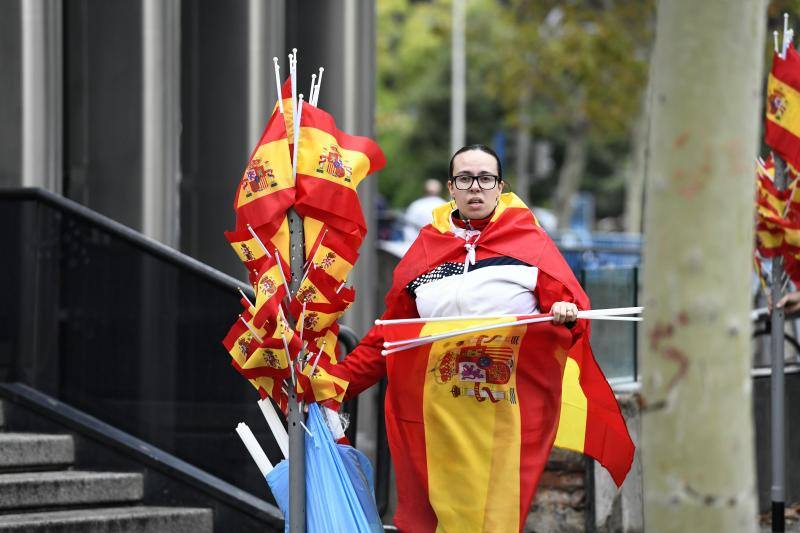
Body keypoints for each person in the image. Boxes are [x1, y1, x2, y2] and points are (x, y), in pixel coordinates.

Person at [331, 145, 624, 532]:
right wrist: (330, 384)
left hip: (503, 417)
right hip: (436, 420)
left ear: (499, 187)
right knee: (434, 520)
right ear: (451, 188)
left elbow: (572, 311)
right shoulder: (426, 249)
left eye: (485, 179)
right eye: (465, 179)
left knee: (492, 521)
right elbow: (390, 335)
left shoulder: (529, 243)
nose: (475, 188)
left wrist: (566, 315)